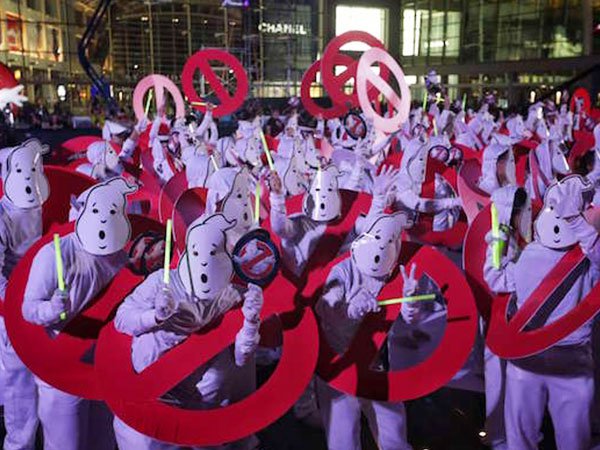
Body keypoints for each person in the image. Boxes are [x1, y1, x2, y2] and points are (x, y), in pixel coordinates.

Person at [112, 213, 263, 450]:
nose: (205, 262)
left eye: (214, 253)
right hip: (152, 394)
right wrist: (154, 316)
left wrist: (251, 321)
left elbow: (242, 357)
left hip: (202, 407)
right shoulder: (161, 283)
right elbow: (121, 320)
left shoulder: (233, 294)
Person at [22, 177, 138, 450]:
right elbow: (28, 307)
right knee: (66, 444)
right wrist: (51, 309)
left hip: (105, 366)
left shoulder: (118, 254)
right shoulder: (54, 254)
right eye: (98, 210)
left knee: (103, 441)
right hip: (62, 369)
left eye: (113, 211)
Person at [486, 175, 599, 449]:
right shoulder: (588, 260)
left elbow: (495, 279)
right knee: (573, 440)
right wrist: (578, 224)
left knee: (521, 438)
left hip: (533, 359)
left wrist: (494, 244)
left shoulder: (532, 254)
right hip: (566, 362)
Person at [315, 212, 414, 450]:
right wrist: (350, 310)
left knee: (393, 426)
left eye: (391, 241)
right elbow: (325, 308)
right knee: (343, 435)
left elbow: (407, 318)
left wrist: (411, 304)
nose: (382, 247)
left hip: (373, 361)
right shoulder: (343, 270)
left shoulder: (393, 273)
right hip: (336, 363)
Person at [0, 139, 49, 450]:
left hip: (37, 306)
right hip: (14, 312)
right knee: (19, 389)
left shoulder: (37, 200)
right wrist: (15, 305)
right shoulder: (3, 214)